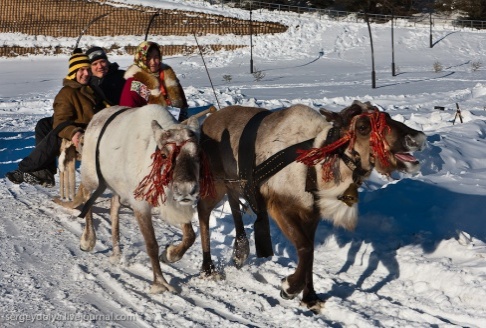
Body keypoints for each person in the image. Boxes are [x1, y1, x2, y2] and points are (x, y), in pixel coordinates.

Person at [5, 49, 104, 187]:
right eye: (81, 70)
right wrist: (73, 132)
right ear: (73, 72)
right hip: (81, 131)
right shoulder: (68, 93)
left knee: (55, 131)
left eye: (88, 69)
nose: (86, 73)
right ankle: (43, 170)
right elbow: (61, 119)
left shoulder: (91, 89)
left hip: (91, 133)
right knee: (46, 125)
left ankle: (27, 168)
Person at [119, 41, 188, 122]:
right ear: (141, 58)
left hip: (175, 125)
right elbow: (127, 115)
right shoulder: (135, 82)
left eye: (156, 57)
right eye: (148, 58)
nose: (153, 62)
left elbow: (183, 104)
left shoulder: (169, 76)